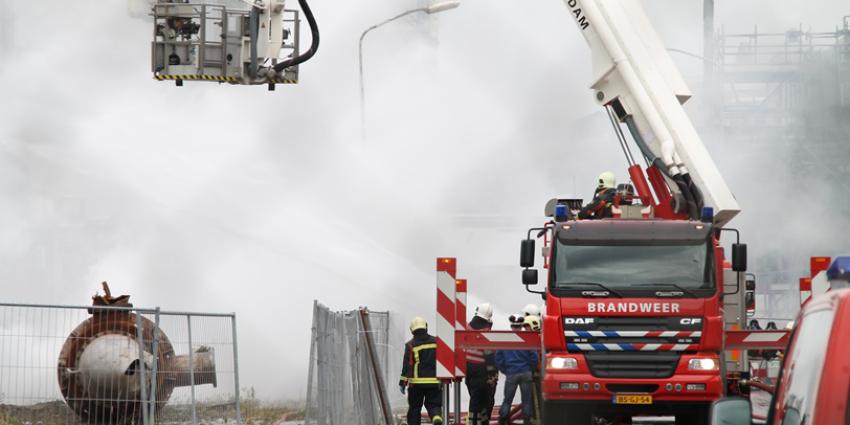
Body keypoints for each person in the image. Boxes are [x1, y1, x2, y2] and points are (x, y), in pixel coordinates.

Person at [495, 316, 540, 425]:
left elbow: (498, 358)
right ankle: (527, 421)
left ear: (511, 326)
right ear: (521, 326)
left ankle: (502, 420)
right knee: (526, 400)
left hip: (511, 373)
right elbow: (534, 357)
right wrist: (530, 370)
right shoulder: (526, 338)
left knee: (507, 400)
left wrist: (505, 370)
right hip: (526, 373)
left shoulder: (505, 339)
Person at [400, 317, 443, 425]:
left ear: (412, 330)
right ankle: (436, 417)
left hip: (416, 383)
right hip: (434, 382)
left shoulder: (410, 345)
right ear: (426, 327)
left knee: (415, 408)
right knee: (434, 405)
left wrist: (403, 383)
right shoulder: (437, 342)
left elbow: (407, 366)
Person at [466, 303, 498, 425]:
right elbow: (489, 354)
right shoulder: (486, 331)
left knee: (475, 397)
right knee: (483, 400)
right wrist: (492, 374)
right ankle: (480, 422)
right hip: (482, 370)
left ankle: (478, 421)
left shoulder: (468, 327)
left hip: (468, 368)